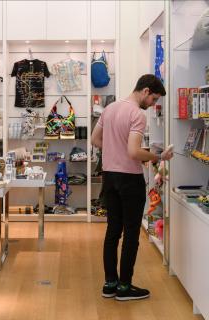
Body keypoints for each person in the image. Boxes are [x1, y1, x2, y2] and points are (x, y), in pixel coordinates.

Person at [91, 74, 173, 301]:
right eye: (154, 99)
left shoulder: (110, 108)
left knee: (112, 231)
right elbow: (134, 152)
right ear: (146, 91)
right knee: (131, 234)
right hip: (129, 179)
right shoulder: (136, 114)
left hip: (109, 177)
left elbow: (94, 139)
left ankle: (110, 284)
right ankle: (125, 287)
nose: (153, 104)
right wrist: (159, 156)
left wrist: (114, 148)